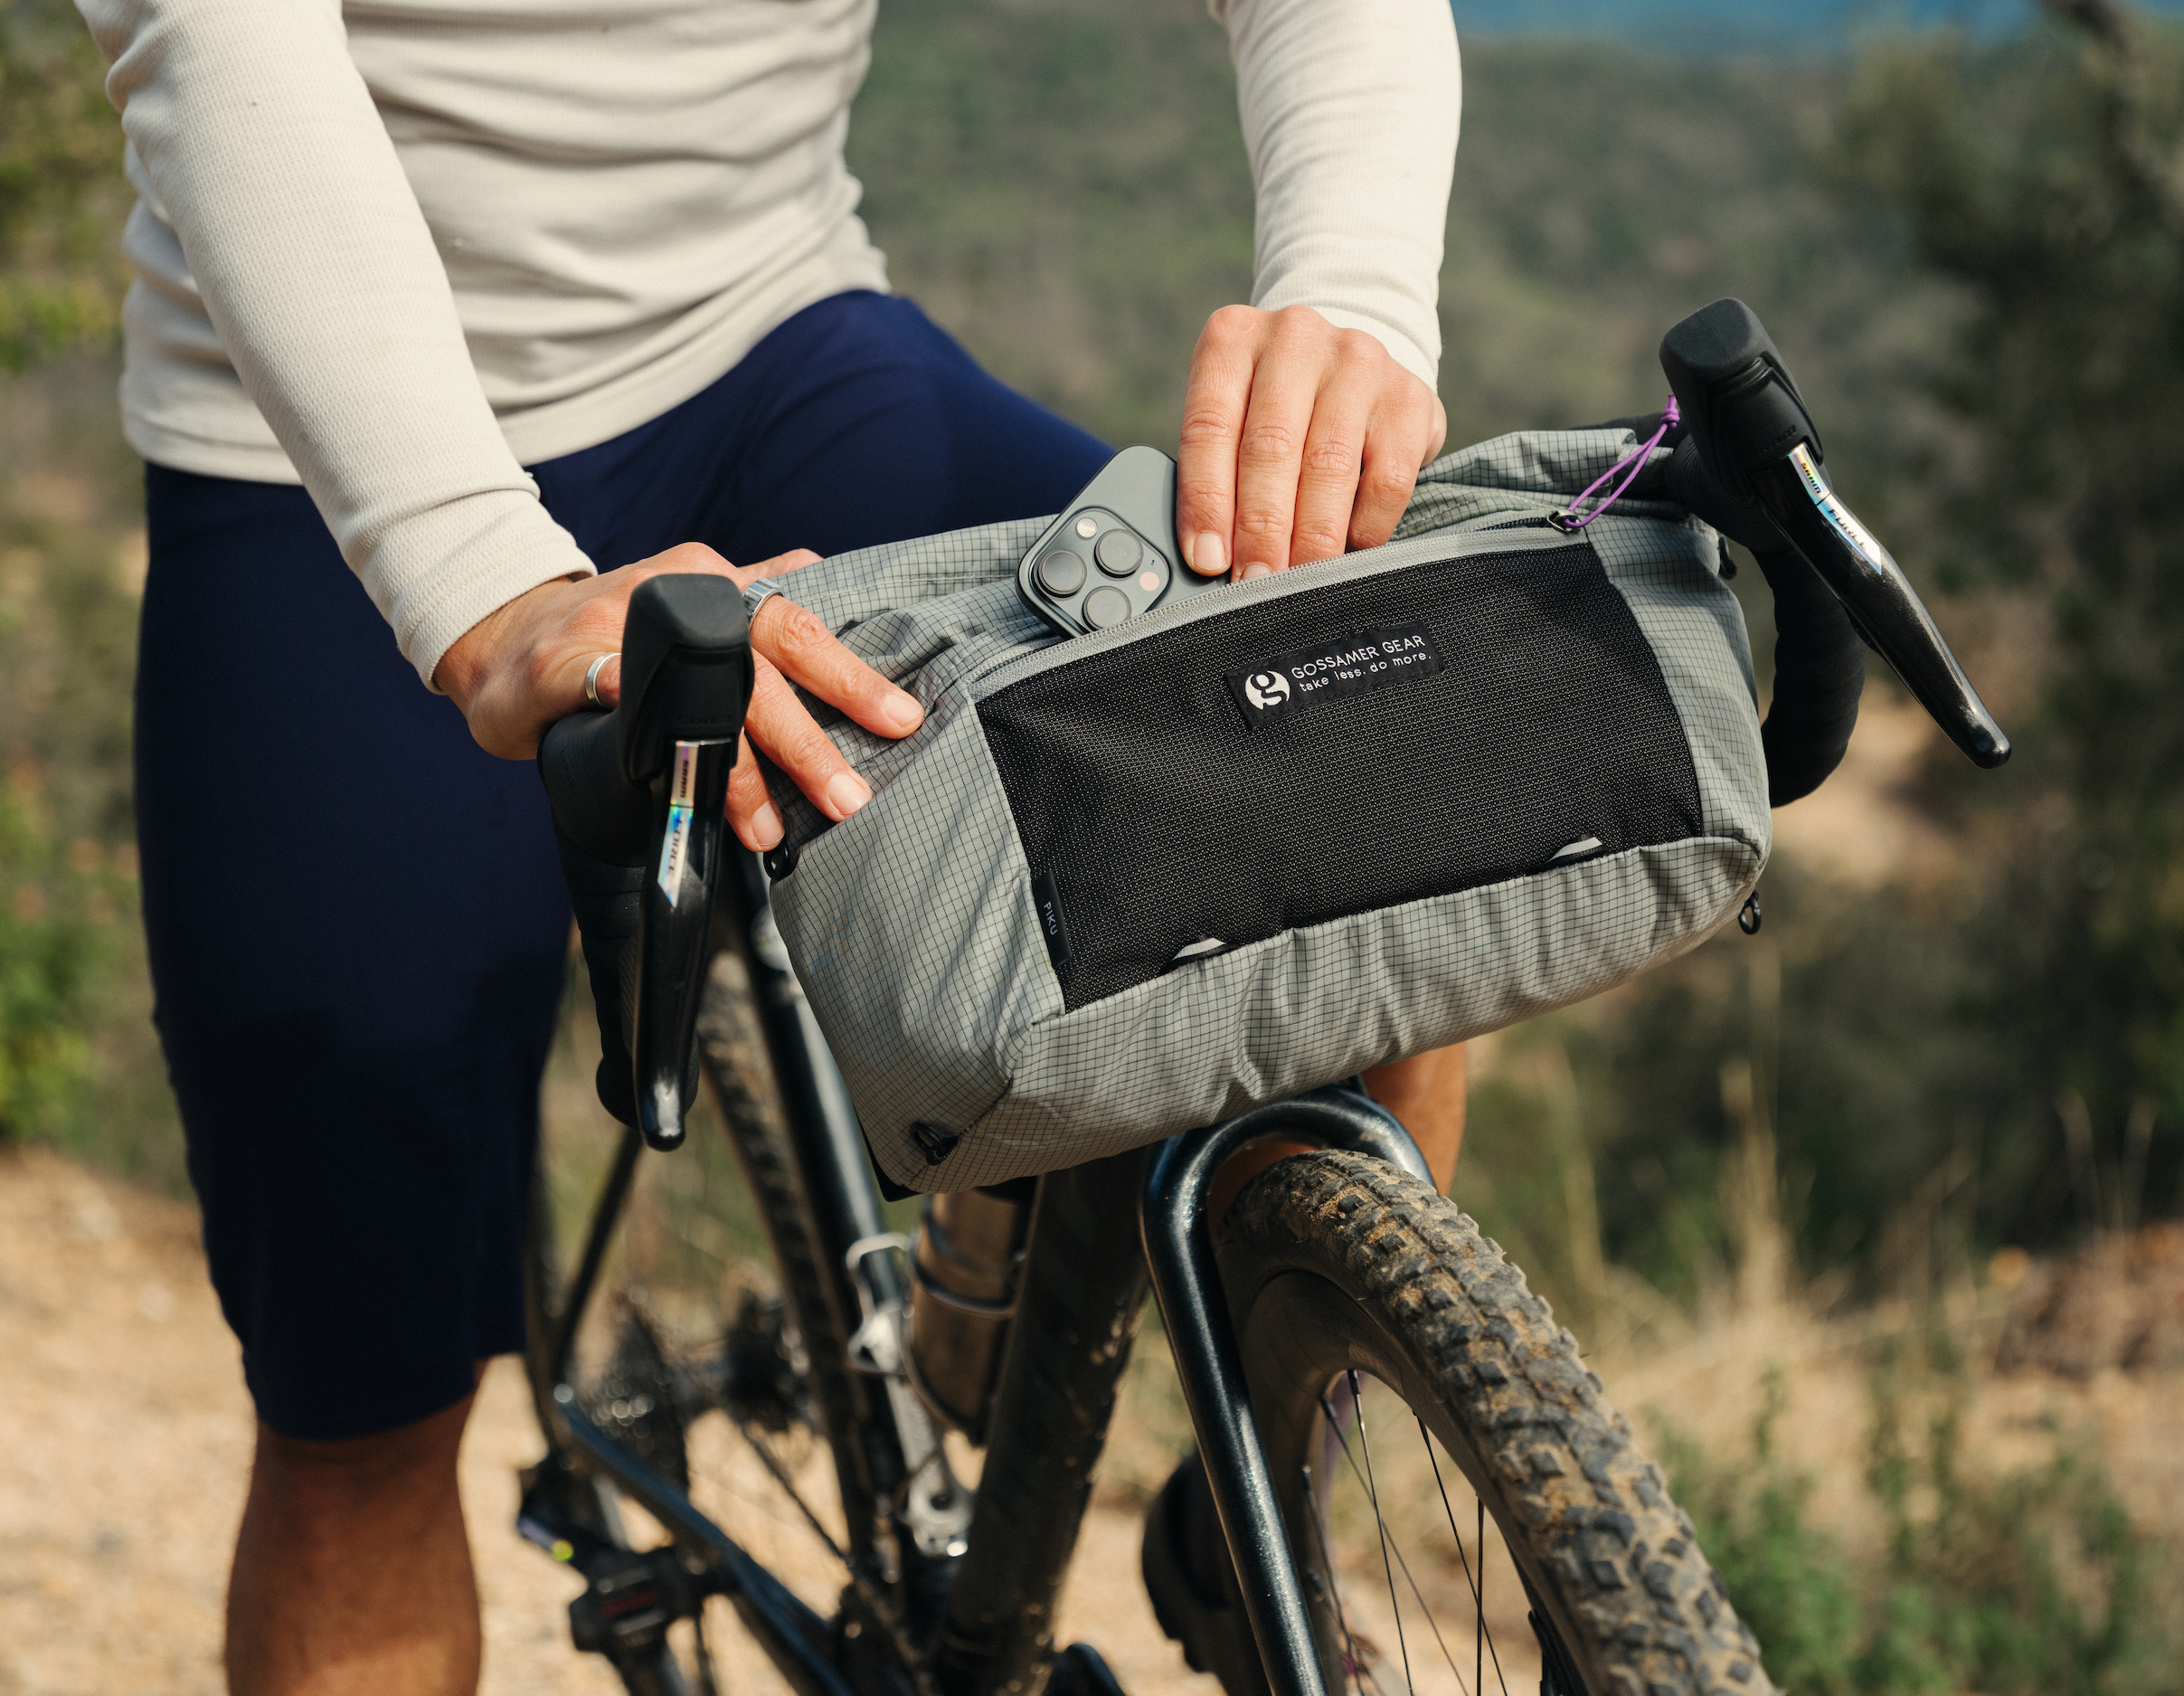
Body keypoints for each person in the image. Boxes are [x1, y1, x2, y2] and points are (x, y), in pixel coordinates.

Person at [73, 0, 1467, 1688]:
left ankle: (1262, 1498)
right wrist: (480, 576)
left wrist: (1357, 296)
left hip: (775, 344)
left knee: (1384, 783)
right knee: (361, 1383)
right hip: (315, 444)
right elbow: (218, 43)